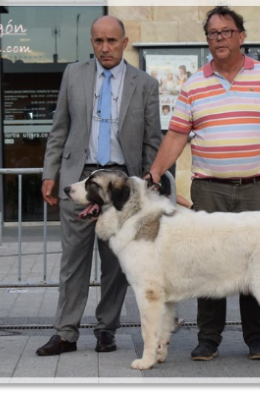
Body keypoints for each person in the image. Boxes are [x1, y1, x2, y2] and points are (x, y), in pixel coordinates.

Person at [147, 6, 260, 362]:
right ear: (207, 40)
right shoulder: (194, 84)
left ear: (241, 36)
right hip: (209, 187)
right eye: (213, 33)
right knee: (207, 264)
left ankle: (257, 339)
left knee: (258, 262)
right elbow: (175, 137)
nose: (220, 39)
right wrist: (154, 173)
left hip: (257, 186)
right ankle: (208, 339)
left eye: (226, 31)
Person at [37, 15, 162, 356]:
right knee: (72, 261)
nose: (105, 48)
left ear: (124, 41)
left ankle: (107, 329)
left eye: (111, 41)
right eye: (98, 41)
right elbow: (59, 128)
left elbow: (153, 140)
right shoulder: (73, 75)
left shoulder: (145, 84)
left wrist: (151, 183)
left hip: (122, 185)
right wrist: (50, 173)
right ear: (91, 43)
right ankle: (65, 333)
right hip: (79, 178)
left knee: (116, 263)